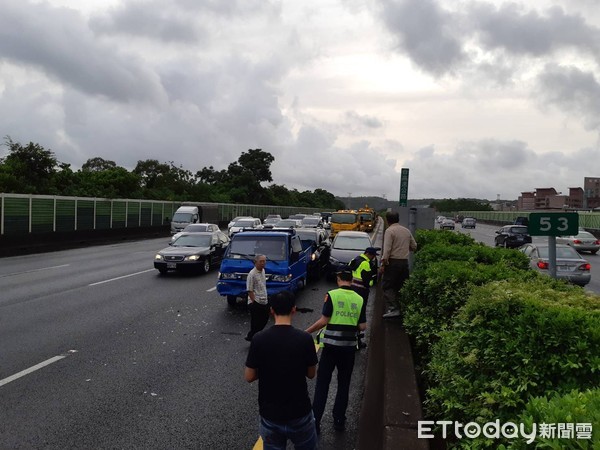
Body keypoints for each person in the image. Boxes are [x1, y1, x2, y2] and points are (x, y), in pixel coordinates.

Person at [244, 291, 319, 450]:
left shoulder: (259, 339)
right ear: (294, 309)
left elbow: (249, 376)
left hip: (271, 415)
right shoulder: (305, 339)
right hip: (300, 412)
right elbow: (311, 374)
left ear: (271, 310)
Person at [305, 270, 367, 434]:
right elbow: (362, 326)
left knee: (323, 384)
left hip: (330, 347)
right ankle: (339, 420)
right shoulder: (359, 299)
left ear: (339, 280)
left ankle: (315, 421)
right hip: (348, 348)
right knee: (344, 384)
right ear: (352, 280)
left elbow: (324, 320)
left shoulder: (332, 295)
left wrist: (307, 332)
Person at [380, 211, 417, 319]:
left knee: (387, 286)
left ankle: (394, 308)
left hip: (393, 263)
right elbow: (414, 246)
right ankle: (403, 308)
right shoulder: (406, 231)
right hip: (404, 263)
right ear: (398, 219)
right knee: (401, 286)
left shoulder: (389, 231)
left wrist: (383, 264)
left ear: (387, 220)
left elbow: (387, 250)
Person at [349, 246, 379, 348]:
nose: (374, 258)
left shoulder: (355, 259)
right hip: (361, 291)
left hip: (352, 288)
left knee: (352, 312)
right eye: (374, 256)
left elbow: (349, 271)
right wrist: (373, 279)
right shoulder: (366, 264)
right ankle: (357, 341)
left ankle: (350, 336)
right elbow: (367, 282)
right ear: (369, 254)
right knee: (359, 314)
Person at [245, 254, 269, 341]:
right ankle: (253, 337)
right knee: (256, 322)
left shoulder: (263, 271)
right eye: (261, 261)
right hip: (256, 302)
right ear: (255, 262)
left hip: (264, 300)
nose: (263, 263)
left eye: (264, 261)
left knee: (265, 319)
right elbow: (249, 290)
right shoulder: (252, 274)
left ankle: (253, 336)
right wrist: (254, 302)